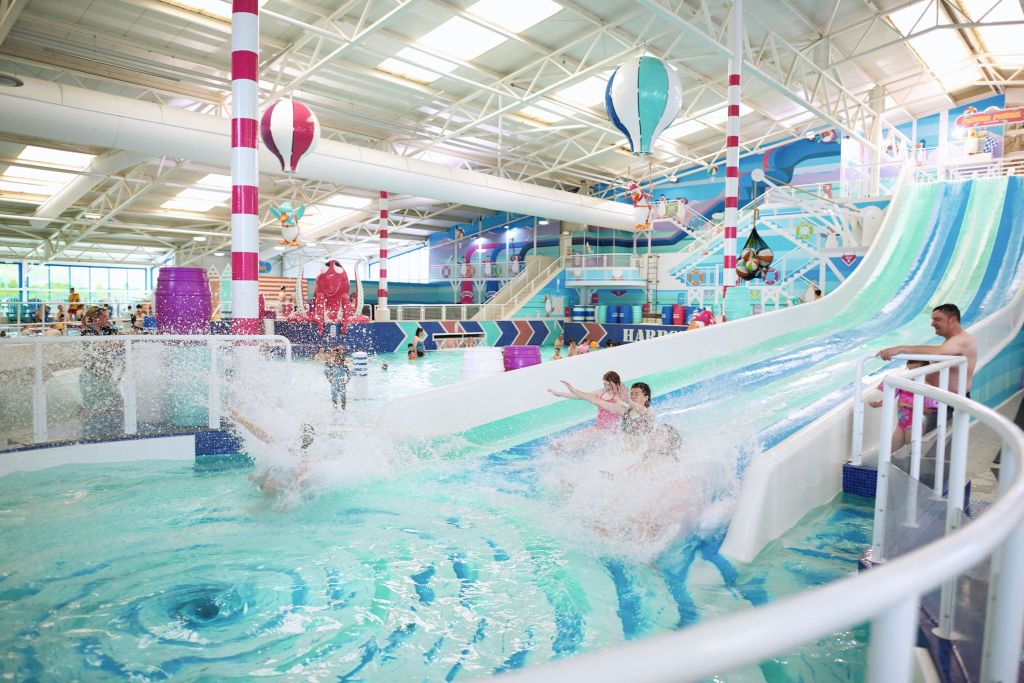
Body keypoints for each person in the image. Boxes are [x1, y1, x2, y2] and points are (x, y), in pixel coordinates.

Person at [878, 303, 977, 430]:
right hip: (940, 401)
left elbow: (938, 351)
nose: (932, 324)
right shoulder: (952, 340)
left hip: (951, 402)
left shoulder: (963, 340)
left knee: (931, 440)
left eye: (937, 319)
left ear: (952, 320)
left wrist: (900, 348)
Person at [868, 360, 940, 451]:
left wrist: (908, 405)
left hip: (915, 425)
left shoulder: (927, 388)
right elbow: (889, 397)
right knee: (889, 452)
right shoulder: (903, 384)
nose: (912, 374)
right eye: (910, 370)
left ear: (925, 370)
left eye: (915, 370)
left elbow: (930, 412)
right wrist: (878, 404)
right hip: (901, 425)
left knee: (911, 453)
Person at [547, 371, 630, 433]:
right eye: (605, 384)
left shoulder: (617, 398)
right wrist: (560, 394)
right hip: (599, 427)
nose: (607, 387)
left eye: (609, 385)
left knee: (575, 442)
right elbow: (580, 396)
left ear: (616, 384)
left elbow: (622, 409)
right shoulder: (601, 393)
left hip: (609, 431)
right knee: (573, 438)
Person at [319, 346, 350, 410]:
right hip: (334, 384)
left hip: (342, 384)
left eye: (341, 360)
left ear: (342, 361)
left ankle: (343, 409)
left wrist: (346, 381)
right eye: (337, 360)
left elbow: (349, 375)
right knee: (334, 397)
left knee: (343, 397)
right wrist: (329, 379)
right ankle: (335, 409)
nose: (339, 362)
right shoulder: (332, 366)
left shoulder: (345, 367)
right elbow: (326, 372)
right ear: (335, 360)